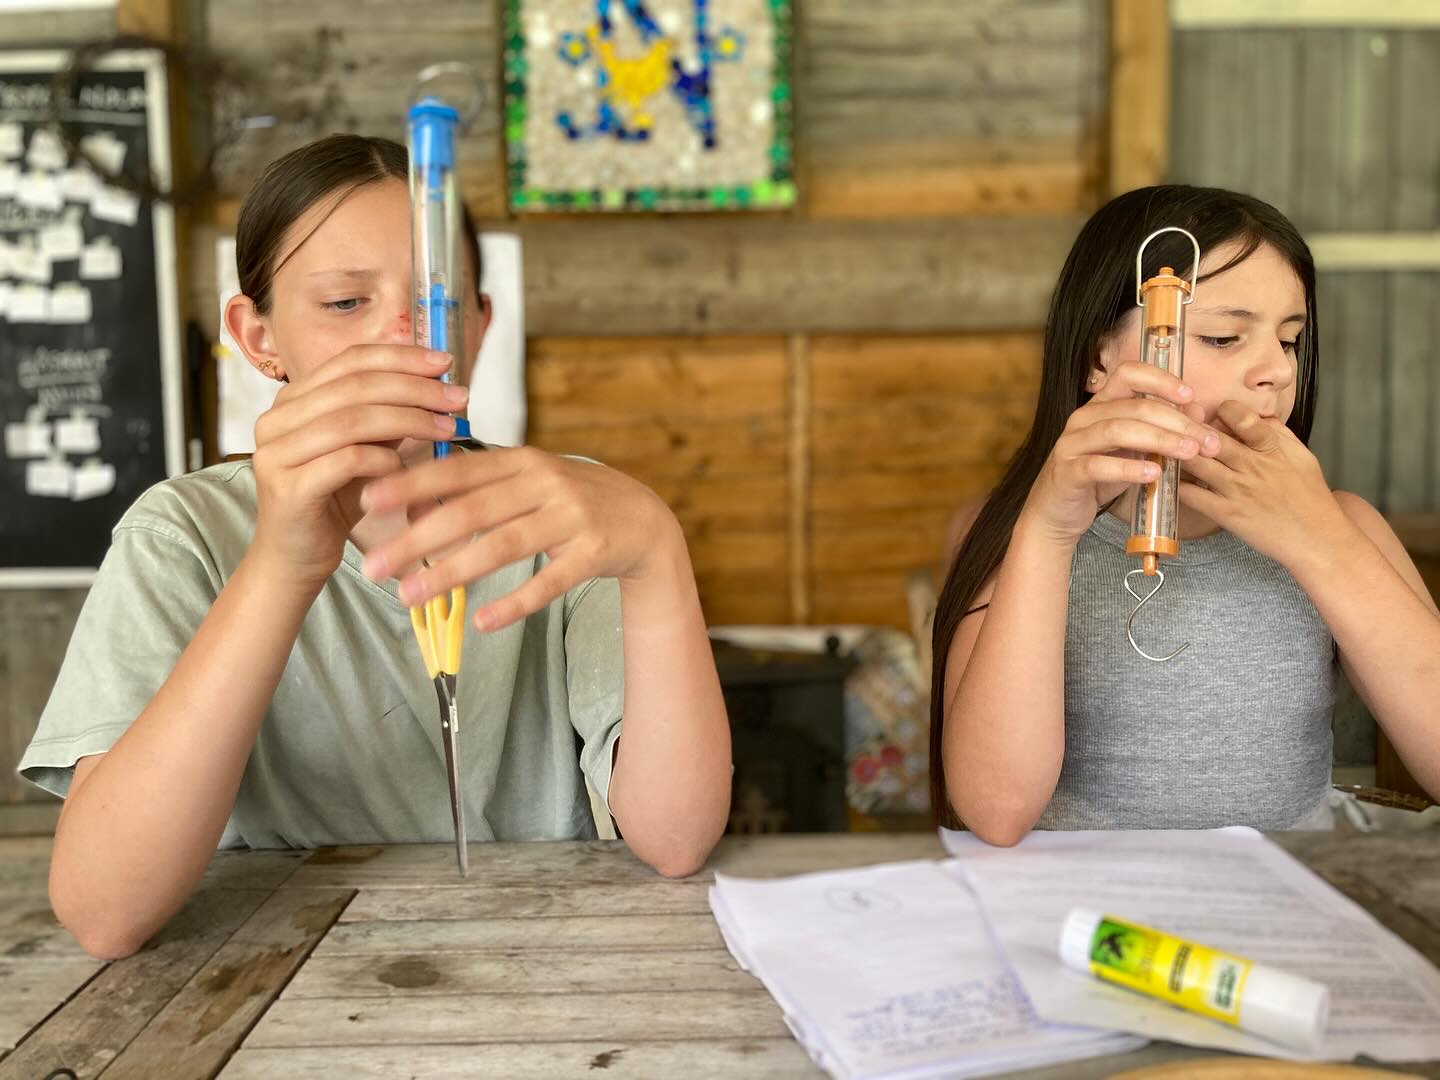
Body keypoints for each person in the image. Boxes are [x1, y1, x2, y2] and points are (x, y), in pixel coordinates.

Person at [20, 134, 732, 959]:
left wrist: (656, 550)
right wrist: (283, 567)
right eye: (344, 303)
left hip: (537, 965)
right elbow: (106, 912)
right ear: (258, 338)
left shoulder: (563, 513)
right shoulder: (181, 536)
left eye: (439, 302)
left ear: (480, 326)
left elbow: (677, 840)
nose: (403, 333)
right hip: (261, 982)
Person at [930, 185, 1440, 844]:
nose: (1276, 372)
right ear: (1098, 359)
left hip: (1284, 911)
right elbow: (995, 812)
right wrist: (1049, 530)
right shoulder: (1011, 534)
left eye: (1289, 340)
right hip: (1086, 924)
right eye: (1226, 336)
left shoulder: (1346, 527)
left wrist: (1323, 544)